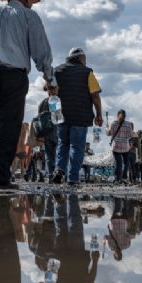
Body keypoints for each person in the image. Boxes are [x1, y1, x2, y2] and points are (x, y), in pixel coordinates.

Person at [0, 0, 54, 190]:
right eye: (31, 1)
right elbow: (40, 49)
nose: (32, 5)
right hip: (14, 75)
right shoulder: (28, 16)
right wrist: (49, 78)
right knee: (10, 125)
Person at [49, 47, 103, 186]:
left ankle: (59, 170)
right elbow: (95, 95)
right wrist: (99, 115)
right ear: (80, 58)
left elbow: (50, 90)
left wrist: (54, 112)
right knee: (77, 147)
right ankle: (73, 178)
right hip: (81, 115)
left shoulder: (57, 70)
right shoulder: (87, 72)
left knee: (63, 144)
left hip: (62, 115)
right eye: (85, 58)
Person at [107, 110, 134, 184]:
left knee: (119, 163)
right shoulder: (128, 124)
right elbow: (131, 135)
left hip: (116, 146)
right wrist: (129, 142)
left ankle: (117, 178)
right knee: (126, 163)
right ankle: (124, 178)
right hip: (125, 146)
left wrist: (107, 129)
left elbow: (109, 134)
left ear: (117, 115)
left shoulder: (113, 123)